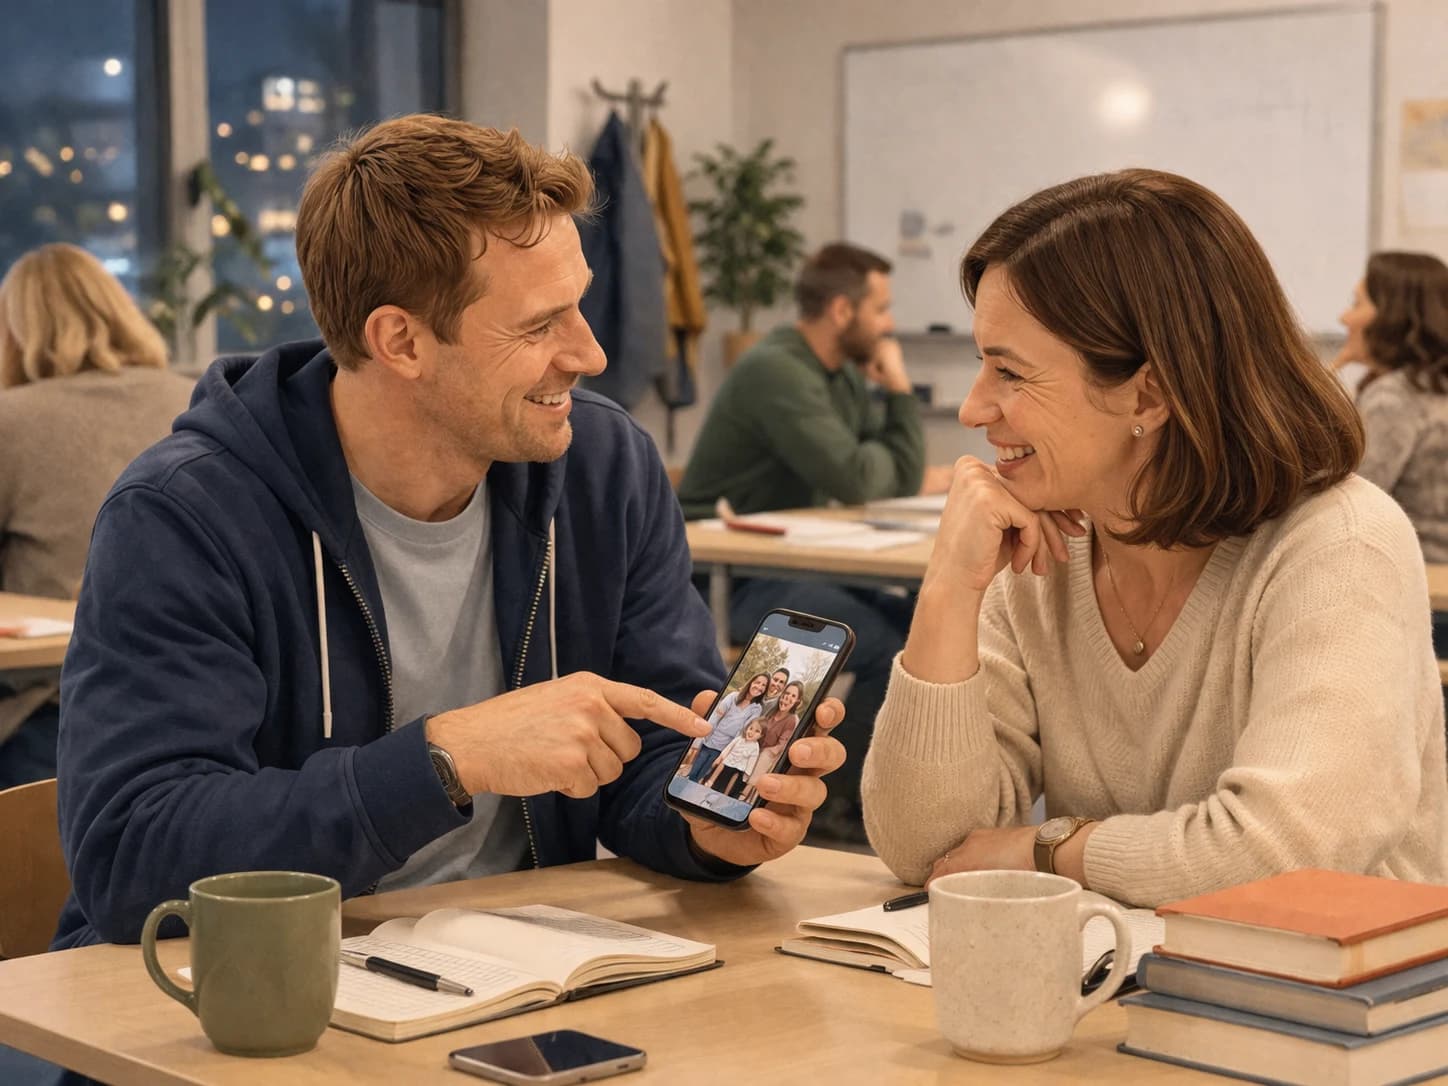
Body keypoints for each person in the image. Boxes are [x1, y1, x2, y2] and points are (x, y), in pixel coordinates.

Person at [53, 115, 847, 951]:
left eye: (579, 305)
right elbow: (132, 854)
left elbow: (654, 746)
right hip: (253, 995)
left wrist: (703, 828)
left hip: (519, 968)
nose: (590, 353)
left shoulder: (603, 467)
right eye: (541, 325)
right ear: (400, 341)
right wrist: (446, 759)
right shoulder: (183, 516)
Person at [862, 169, 1448, 907]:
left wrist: (1045, 848)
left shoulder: (1341, 545)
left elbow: (1286, 853)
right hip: (1120, 990)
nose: (975, 409)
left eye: (1009, 372)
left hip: (1337, 1009)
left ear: (1150, 392)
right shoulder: (1042, 550)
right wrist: (948, 587)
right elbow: (929, 851)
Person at [677, 243, 949, 840]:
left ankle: (849, 798)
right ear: (841, 310)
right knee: (886, 644)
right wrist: (899, 400)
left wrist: (893, 402)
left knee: (920, 625)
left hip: (790, 557)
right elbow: (859, 476)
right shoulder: (777, 370)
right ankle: (835, 810)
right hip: (725, 573)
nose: (889, 325)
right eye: (881, 309)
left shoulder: (842, 376)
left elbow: (884, 477)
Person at [0, 244, 194, 790]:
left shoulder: (12, 421)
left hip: (55, 714)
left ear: (15, 331)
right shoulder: (197, 401)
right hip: (200, 696)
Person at [1334, 251, 1448, 564]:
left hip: (1427, 587)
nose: (1344, 318)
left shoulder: (1394, 399)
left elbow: (1346, 504)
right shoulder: (1430, 387)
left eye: (1357, 304)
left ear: (1391, 316)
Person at [687, 673, 768, 783]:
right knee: (695, 769)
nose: (759, 686)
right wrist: (703, 736)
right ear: (751, 682)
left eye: (763, 685)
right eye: (757, 682)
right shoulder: (733, 696)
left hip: (726, 746)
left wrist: (730, 749)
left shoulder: (756, 708)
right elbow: (716, 716)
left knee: (705, 772)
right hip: (711, 739)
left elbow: (745, 730)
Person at [742, 680, 804, 803]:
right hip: (755, 747)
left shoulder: (792, 720)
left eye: (793, 696)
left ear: (797, 701)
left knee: (765, 755)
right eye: (786, 693)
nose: (787, 698)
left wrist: (762, 751)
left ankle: (745, 795)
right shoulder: (772, 711)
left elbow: (781, 746)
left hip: (769, 755)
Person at [705, 718, 766, 799]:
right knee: (721, 765)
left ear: (761, 736)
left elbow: (752, 761)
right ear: (747, 728)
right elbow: (728, 748)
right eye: (751, 728)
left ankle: (726, 794)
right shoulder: (739, 739)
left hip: (739, 767)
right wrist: (720, 757)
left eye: (757, 731)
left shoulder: (755, 747)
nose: (752, 732)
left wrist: (747, 774)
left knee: (735, 776)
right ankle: (710, 782)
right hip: (728, 762)